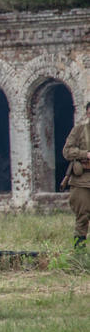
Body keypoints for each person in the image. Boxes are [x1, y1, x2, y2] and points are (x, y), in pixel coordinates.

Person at [63, 101, 90, 249]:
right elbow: (67, 151)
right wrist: (85, 154)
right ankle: (79, 253)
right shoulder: (79, 130)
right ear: (87, 113)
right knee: (82, 216)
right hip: (82, 180)